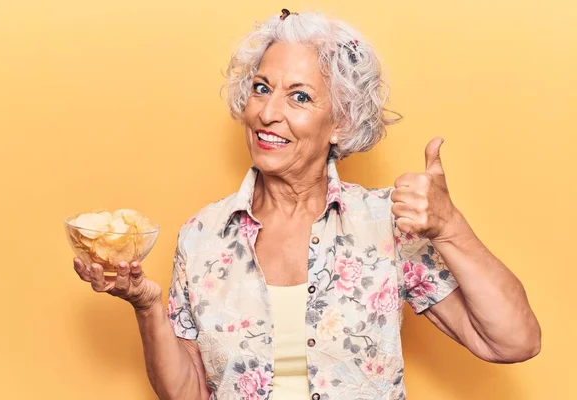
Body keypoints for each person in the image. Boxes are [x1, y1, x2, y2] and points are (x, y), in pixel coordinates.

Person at [72, 10, 541, 400]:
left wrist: (450, 227)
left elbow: (512, 342)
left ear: (339, 120)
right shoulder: (202, 235)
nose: (267, 112)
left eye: (299, 96)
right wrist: (147, 307)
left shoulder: (387, 225)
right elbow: (190, 392)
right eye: (261, 87)